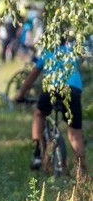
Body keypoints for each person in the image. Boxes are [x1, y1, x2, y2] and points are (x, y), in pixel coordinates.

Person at [15, 40, 87, 177]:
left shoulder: (47, 53)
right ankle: (81, 173)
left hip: (52, 88)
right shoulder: (71, 52)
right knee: (75, 134)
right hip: (74, 90)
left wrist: (21, 95)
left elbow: (31, 77)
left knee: (38, 114)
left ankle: (37, 153)